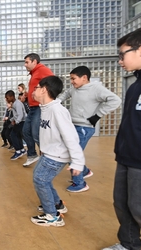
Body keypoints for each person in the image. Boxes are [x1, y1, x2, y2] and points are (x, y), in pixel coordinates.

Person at [102, 25, 141, 250]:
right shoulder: (135, 85)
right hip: (127, 156)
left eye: (122, 54)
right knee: (122, 205)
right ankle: (129, 244)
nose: (120, 60)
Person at [30, 75, 84, 227]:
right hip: (49, 153)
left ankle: (52, 216)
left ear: (44, 90)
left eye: (37, 88)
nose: (34, 91)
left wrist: (78, 162)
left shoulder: (57, 110)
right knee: (42, 179)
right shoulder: (46, 108)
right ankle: (57, 204)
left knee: (40, 180)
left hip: (56, 155)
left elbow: (71, 137)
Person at [58, 66, 121, 193]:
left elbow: (116, 100)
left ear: (84, 78)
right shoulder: (75, 89)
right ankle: (85, 171)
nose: (72, 81)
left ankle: (80, 183)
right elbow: (65, 94)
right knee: (70, 152)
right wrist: (55, 102)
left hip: (85, 128)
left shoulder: (96, 89)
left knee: (73, 154)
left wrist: (98, 115)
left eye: (73, 78)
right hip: (73, 125)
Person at [22, 53, 54, 167]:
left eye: (27, 62)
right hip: (33, 108)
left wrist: (46, 99)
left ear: (34, 61)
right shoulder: (34, 73)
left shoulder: (43, 70)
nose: (25, 65)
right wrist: (27, 95)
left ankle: (49, 156)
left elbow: (53, 83)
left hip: (39, 107)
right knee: (25, 131)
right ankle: (32, 155)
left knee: (36, 134)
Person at [4, 90, 27, 160]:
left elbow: (20, 115)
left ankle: (18, 151)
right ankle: (22, 150)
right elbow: (16, 115)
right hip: (19, 122)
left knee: (13, 135)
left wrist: (16, 122)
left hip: (21, 122)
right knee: (17, 136)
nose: (6, 100)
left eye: (7, 98)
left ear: (12, 97)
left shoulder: (17, 104)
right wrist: (11, 120)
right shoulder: (14, 104)